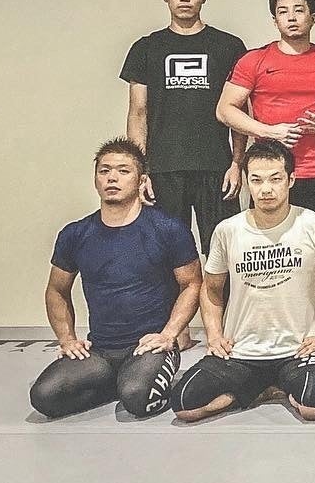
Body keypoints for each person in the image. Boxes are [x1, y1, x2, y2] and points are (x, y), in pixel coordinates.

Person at [171, 141, 315, 421]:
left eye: (275, 179)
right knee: (184, 405)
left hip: (297, 350)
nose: (266, 189)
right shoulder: (227, 230)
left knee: (314, 407)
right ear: (247, 182)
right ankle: (259, 388)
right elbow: (211, 290)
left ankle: (276, 385)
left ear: (291, 180)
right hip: (242, 351)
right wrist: (214, 336)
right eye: (256, 180)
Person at [29, 139, 202, 419]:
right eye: (104, 170)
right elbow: (56, 290)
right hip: (100, 351)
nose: (112, 178)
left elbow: (192, 283)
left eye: (123, 171)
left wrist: (169, 334)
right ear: (95, 179)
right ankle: (117, 382)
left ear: (141, 181)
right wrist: (67, 339)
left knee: (137, 399)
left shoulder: (168, 229)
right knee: (44, 397)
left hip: (149, 347)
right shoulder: (75, 234)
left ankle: (132, 381)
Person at [121, 0, 247, 255]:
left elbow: (239, 111)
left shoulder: (229, 46)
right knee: (166, 255)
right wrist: (140, 171)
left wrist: (236, 164)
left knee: (223, 255)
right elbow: (137, 113)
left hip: (216, 166)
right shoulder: (146, 48)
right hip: (163, 168)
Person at [216, 0, 315, 221]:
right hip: (269, 171)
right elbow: (224, 110)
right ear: (275, 20)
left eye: (299, 10)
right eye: (283, 12)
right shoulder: (253, 60)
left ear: (312, 17)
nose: (291, 17)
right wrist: (269, 131)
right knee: (268, 240)